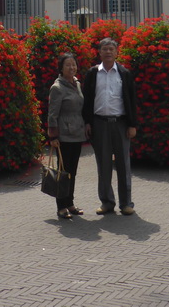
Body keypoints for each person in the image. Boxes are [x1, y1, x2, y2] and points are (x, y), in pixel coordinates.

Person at [82, 37, 138, 216]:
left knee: (123, 165)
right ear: (99, 52)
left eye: (111, 49)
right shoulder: (92, 74)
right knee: (103, 165)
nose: (108, 52)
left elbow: (132, 101)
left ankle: (126, 203)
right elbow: (87, 100)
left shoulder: (125, 74)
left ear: (116, 52)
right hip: (100, 124)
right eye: (104, 49)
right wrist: (88, 122)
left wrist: (132, 124)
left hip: (121, 124)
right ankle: (107, 202)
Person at [46, 53, 87, 220]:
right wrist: (53, 137)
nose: (72, 68)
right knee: (63, 173)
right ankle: (61, 206)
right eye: (68, 65)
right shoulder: (57, 88)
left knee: (72, 172)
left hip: (77, 134)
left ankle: (70, 203)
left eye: (74, 64)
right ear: (61, 69)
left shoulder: (76, 84)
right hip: (63, 137)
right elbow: (52, 114)